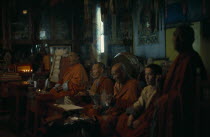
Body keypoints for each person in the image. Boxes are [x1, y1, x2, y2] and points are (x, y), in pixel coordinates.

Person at [155, 24, 207, 137]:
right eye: (175, 35)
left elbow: (186, 92)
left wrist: (166, 99)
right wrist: (162, 80)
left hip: (186, 105)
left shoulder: (191, 59)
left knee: (160, 104)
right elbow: (172, 80)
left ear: (188, 40)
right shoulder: (180, 58)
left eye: (179, 36)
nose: (175, 39)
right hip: (175, 98)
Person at [116, 64, 163, 137]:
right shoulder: (146, 89)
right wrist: (132, 114)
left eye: (150, 74)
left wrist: (141, 121)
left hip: (150, 119)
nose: (146, 78)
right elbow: (139, 103)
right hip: (142, 115)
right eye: (145, 75)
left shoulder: (161, 91)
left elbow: (154, 111)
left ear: (157, 76)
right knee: (123, 119)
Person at [96, 63, 140, 137]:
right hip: (114, 110)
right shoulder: (117, 84)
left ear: (123, 72)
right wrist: (108, 102)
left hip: (123, 113)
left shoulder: (133, 84)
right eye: (112, 75)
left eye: (115, 74)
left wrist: (114, 101)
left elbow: (132, 105)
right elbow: (115, 99)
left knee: (104, 121)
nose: (113, 77)